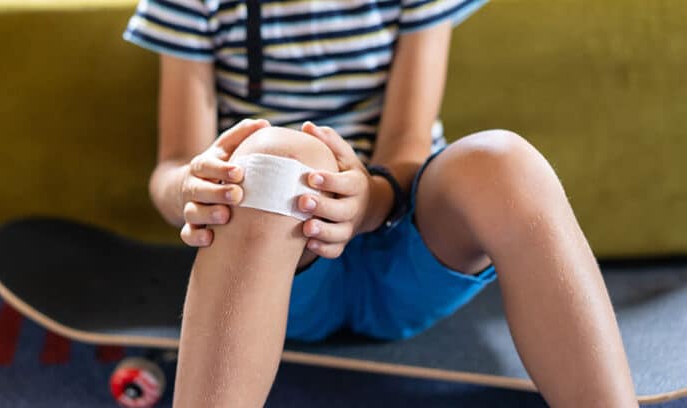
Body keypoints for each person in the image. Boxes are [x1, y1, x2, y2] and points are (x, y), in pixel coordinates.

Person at [123, 1, 638, 406]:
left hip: (402, 238)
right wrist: (193, 188)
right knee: (283, 159)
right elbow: (174, 164)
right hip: (275, 267)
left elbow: (408, 150)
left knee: (505, 161)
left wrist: (364, 201)